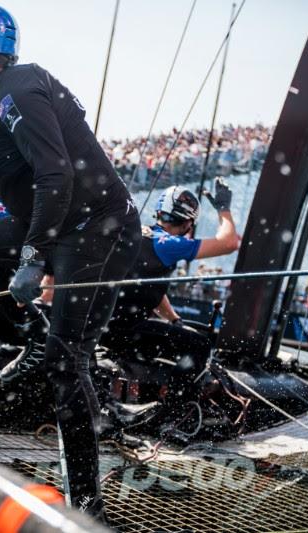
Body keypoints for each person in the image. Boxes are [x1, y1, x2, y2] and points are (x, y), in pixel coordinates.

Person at [0, 3, 141, 519]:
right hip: (52, 224)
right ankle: (21, 335)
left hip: (95, 229)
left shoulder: (18, 86)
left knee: (66, 361)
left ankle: (87, 506)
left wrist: (34, 258)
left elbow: (56, 175)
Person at [100, 179, 240, 430]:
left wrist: (174, 320)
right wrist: (223, 208)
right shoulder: (168, 245)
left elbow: (149, 289)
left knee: (178, 335)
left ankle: (152, 403)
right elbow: (229, 243)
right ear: (188, 225)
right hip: (124, 331)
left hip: (102, 323)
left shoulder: (140, 233)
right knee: (199, 345)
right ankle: (173, 418)